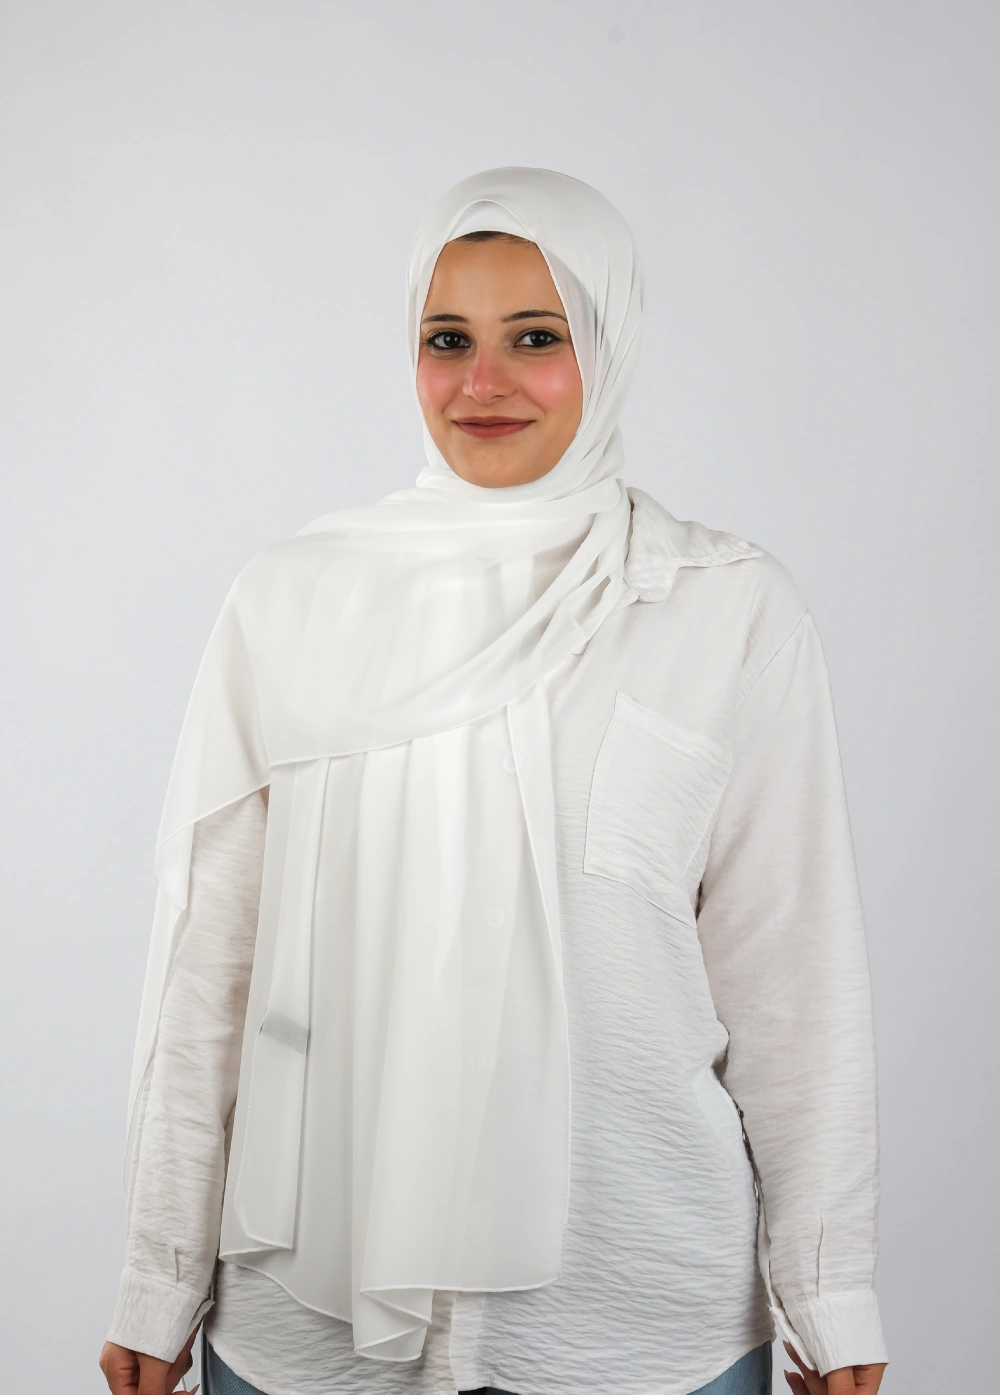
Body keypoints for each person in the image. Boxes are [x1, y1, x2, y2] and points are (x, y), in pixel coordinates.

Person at [99, 167, 889, 1395]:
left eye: (535, 337)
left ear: (609, 347)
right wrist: (157, 1281)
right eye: (446, 339)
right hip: (307, 1331)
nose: (482, 382)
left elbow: (793, 988)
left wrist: (829, 1294)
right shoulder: (294, 602)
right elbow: (209, 973)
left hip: (638, 1325)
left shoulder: (723, 610)